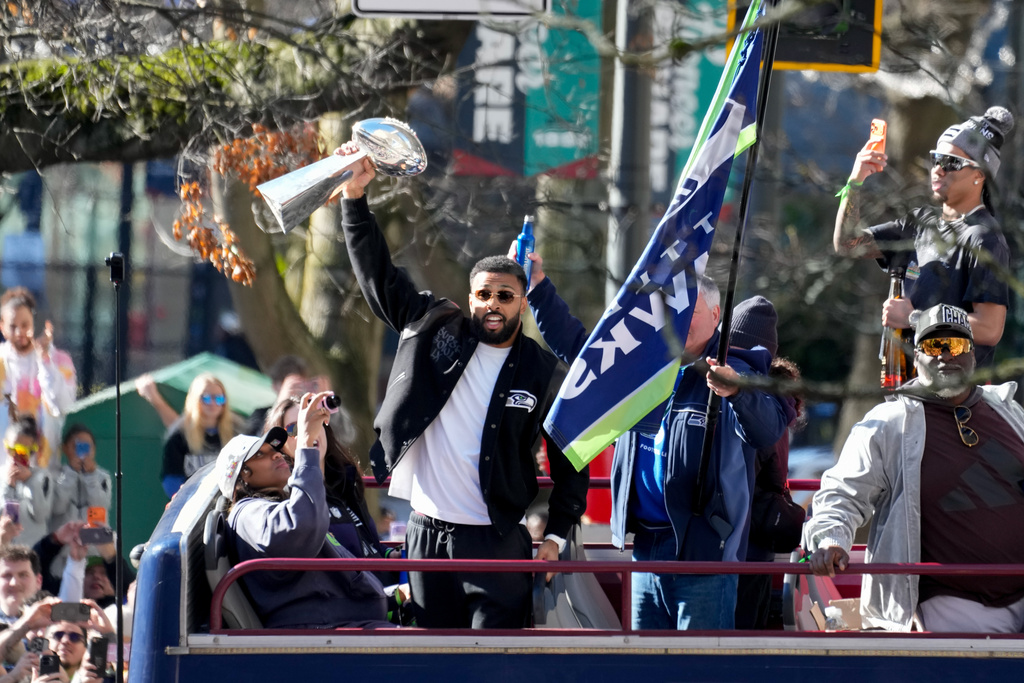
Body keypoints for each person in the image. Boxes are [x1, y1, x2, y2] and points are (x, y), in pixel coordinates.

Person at [334, 143, 588, 629]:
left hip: (497, 542)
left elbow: (570, 456)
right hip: (428, 534)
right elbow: (378, 278)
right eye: (484, 294)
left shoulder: (539, 368)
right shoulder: (435, 327)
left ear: (522, 302)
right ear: (470, 296)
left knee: (493, 662)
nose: (493, 304)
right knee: (429, 658)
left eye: (506, 296)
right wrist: (354, 199)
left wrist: (556, 533)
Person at [520, 249, 787, 630]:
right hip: (645, 547)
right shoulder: (642, 363)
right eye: (675, 311)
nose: (679, 321)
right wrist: (538, 289)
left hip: (705, 554)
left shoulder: (734, 370)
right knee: (647, 669)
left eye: (691, 311)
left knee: (698, 672)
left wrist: (736, 393)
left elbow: (768, 430)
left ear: (716, 317)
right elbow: (582, 351)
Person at [805, 303, 1024, 633]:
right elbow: (842, 493)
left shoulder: (1008, 409)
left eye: (956, 345)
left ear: (973, 355)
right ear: (916, 356)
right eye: (933, 346)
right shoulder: (889, 423)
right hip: (954, 603)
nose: (945, 356)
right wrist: (831, 540)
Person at [833, 107, 1014, 368]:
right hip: (906, 382)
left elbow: (989, 328)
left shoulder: (984, 238)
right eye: (936, 159)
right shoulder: (919, 222)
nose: (938, 169)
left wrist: (916, 318)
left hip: (952, 396)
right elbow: (848, 245)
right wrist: (856, 180)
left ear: (979, 175)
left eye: (951, 162)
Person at [216, 393, 390, 629]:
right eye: (261, 455)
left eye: (274, 448)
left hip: (348, 622)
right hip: (326, 633)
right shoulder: (247, 513)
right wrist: (306, 446)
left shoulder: (281, 502)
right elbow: (301, 527)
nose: (276, 454)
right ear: (242, 477)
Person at [0, 288, 77, 474]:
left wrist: (45, 361)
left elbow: (63, 405)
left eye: (25, 324)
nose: (20, 332)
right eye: (13, 326)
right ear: (2, 326)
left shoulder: (59, 361)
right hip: (4, 474)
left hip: (45, 473)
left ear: (34, 322)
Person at [161, 373, 235, 498]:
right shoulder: (179, 437)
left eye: (219, 398)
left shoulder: (236, 434)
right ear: (194, 399)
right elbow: (171, 479)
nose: (213, 403)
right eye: (206, 398)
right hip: (192, 503)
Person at [49, 426, 111, 534]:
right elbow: (57, 507)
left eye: (87, 447)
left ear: (94, 450)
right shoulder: (55, 476)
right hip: (64, 544)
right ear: (65, 449)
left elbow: (100, 508)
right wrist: (70, 473)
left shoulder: (103, 477)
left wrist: (91, 477)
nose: (82, 453)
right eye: (76, 446)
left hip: (92, 543)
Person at [3, 416, 53, 549]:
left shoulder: (42, 477)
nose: (16, 456)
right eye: (12, 449)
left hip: (32, 554)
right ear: (5, 446)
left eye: (23, 452)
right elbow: (9, 520)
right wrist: (9, 487)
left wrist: (30, 482)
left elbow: (40, 515)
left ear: (32, 452)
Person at [0, 546, 43, 625]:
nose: (14, 583)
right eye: (7, 575)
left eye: (23, 575)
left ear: (38, 581)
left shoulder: (59, 625)